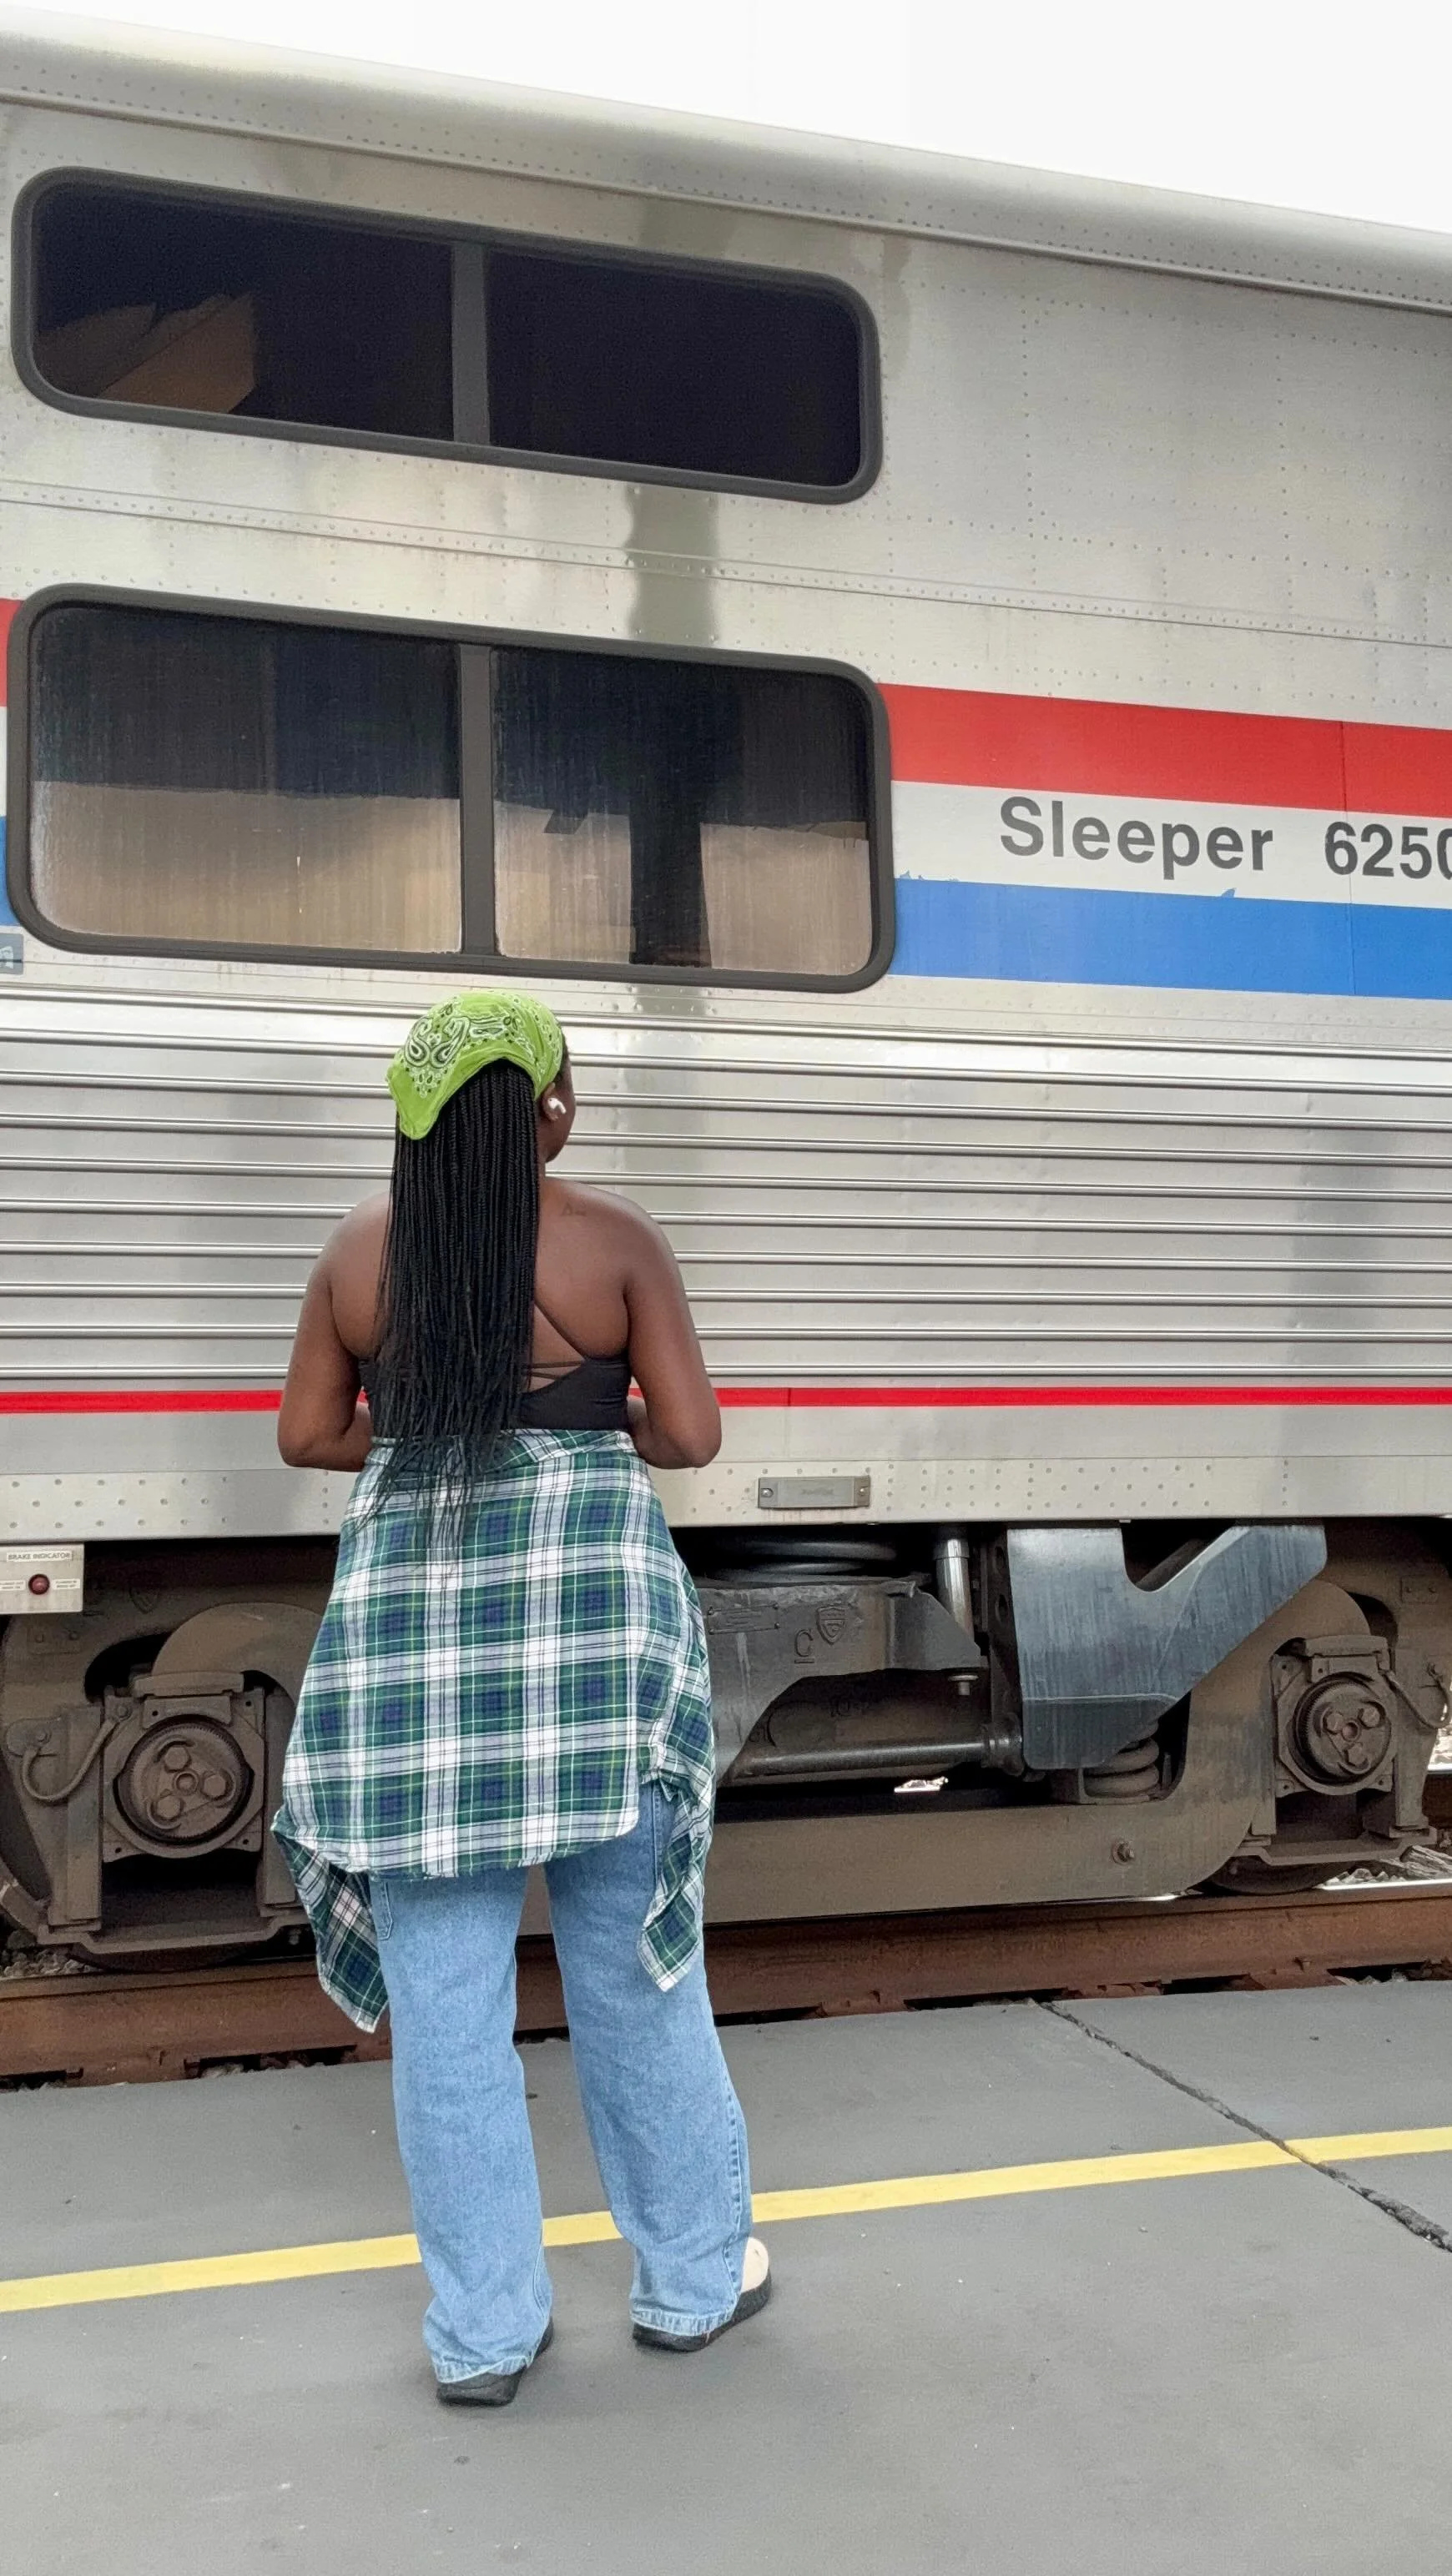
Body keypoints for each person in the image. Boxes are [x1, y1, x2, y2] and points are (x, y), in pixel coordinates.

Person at [272, 989, 769, 2406]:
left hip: (418, 1668)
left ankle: (485, 2332)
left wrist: (431, 1417)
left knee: (446, 2013)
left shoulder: (358, 1256)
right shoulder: (615, 1243)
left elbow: (309, 1435)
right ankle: (690, 2284)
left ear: (415, 1117)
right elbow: (690, 1435)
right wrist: (585, 1411)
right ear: (548, 1110)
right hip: (597, 1656)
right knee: (637, 1978)